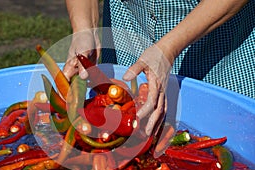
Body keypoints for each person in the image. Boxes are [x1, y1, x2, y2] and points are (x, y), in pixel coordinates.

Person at [63, 0, 255, 136]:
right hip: (131, 27)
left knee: (229, 139)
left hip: (219, 44)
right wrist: (84, 27)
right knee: (123, 141)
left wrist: (168, 49)